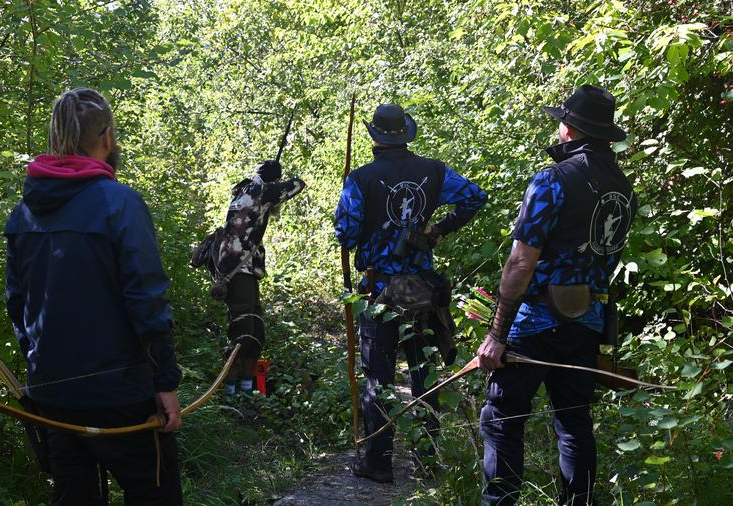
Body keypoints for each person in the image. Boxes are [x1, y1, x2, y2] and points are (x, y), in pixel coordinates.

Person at [5, 87, 183, 505]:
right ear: (106, 138)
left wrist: (38, 370)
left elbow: (19, 307)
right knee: (155, 493)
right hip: (122, 396)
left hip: (52, 394)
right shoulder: (120, 203)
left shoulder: (23, 213)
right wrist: (165, 382)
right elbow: (147, 300)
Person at [476, 84, 636, 505]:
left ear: (570, 130)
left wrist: (497, 333)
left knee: (501, 417)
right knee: (574, 421)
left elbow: (520, 263)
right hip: (588, 321)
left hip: (536, 319)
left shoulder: (554, 179)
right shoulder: (623, 187)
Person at [334, 103, 487, 482]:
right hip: (422, 290)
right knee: (423, 373)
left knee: (379, 378)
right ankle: (426, 461)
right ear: (406, 133)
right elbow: (475, 197)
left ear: (375, 136)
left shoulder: (361, 178)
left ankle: (377, 461)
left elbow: (346, 235)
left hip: (378, 289)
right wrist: (439, 229)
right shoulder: (433, 171)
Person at [209, 160, 305, 397]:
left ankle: (247, 388)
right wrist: (276, 181)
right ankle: (230, 392)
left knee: (255, 330)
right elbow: (297, 185)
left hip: (240, 269)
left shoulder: (244, 189)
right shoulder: (262, 191)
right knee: (243, 332)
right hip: (238, 270)